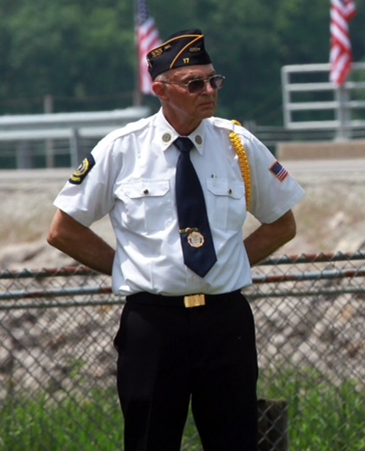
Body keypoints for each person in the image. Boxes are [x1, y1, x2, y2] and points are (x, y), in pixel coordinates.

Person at [47, 28, 305, 451]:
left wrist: (230, 263)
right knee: (150, 441)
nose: (209, 90)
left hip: (226, 323)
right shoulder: (122, 149)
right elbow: (63, 229)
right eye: (195, 83)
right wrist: (127, 267)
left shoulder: (237, 144)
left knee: (236, 441)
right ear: (161, 90)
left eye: (213, 81)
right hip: (153, 324)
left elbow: (282, 223)